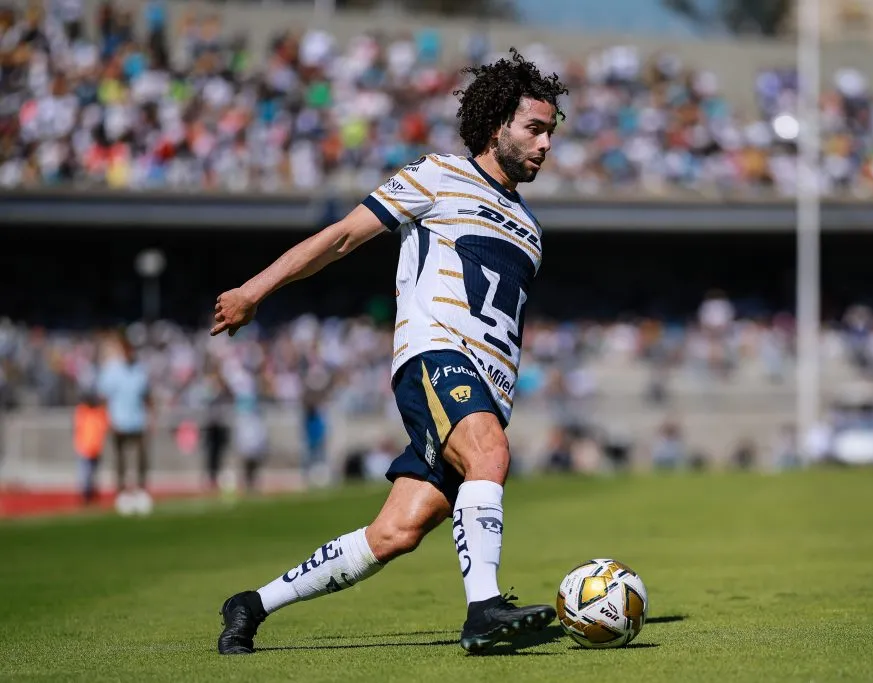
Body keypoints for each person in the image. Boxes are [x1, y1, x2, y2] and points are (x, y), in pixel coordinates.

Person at [211, 48, 567, 655]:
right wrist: (253, 290)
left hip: (488, 387)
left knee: (395, 533)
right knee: (490, 452)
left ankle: (252, 605)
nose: (545, 145)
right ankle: (483, 610)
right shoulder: (436, 175)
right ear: (495, 126)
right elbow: (342, 237)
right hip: (435, 358)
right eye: (534, 128)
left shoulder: (530, 228)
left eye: (551, 133)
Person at [96, 332, 154, 513]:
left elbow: (147, 396)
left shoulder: (140, 370)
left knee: (140, 458)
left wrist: (151, 418)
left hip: (137, 420)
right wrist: (108, 419)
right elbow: (104, 398)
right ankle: (122, 493)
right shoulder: (112, 370)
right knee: (120, 459)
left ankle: (141, 490)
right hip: (119, 421)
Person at [72, 390, 109, 504]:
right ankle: (85, 495)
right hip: (84, 449)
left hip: (95, 448)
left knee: (92, 474)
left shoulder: (99, 413)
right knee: (85, 474)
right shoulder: (82, 412)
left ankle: (90, 494)